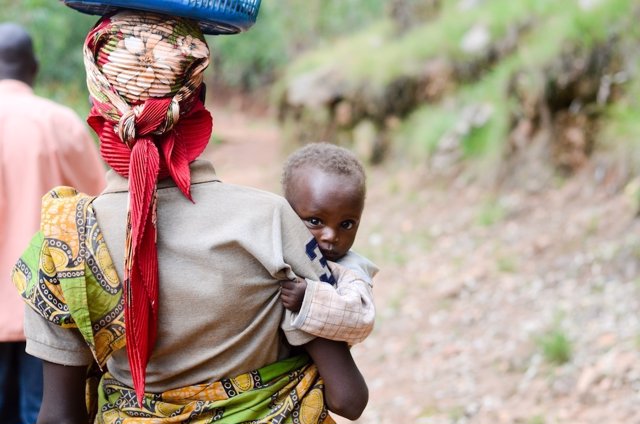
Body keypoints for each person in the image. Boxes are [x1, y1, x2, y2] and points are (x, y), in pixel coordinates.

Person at [11, 10, 367, 423]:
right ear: (199, 102)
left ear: (99, 108)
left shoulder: (62, 242)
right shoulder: (272, 221)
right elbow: (348, 398)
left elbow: (58, 416)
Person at [0, 22, 106, 424]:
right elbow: (96, 207)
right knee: (39, 411)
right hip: (46, 307)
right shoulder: (59, 123)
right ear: (34, 67)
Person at [280, 143, 378, 345]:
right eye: (315, 221)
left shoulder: (350, 269)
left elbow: (362, 318)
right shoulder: (275, 247)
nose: (331, 236)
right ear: (287, 213)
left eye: (346, 224)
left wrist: (308, 299)